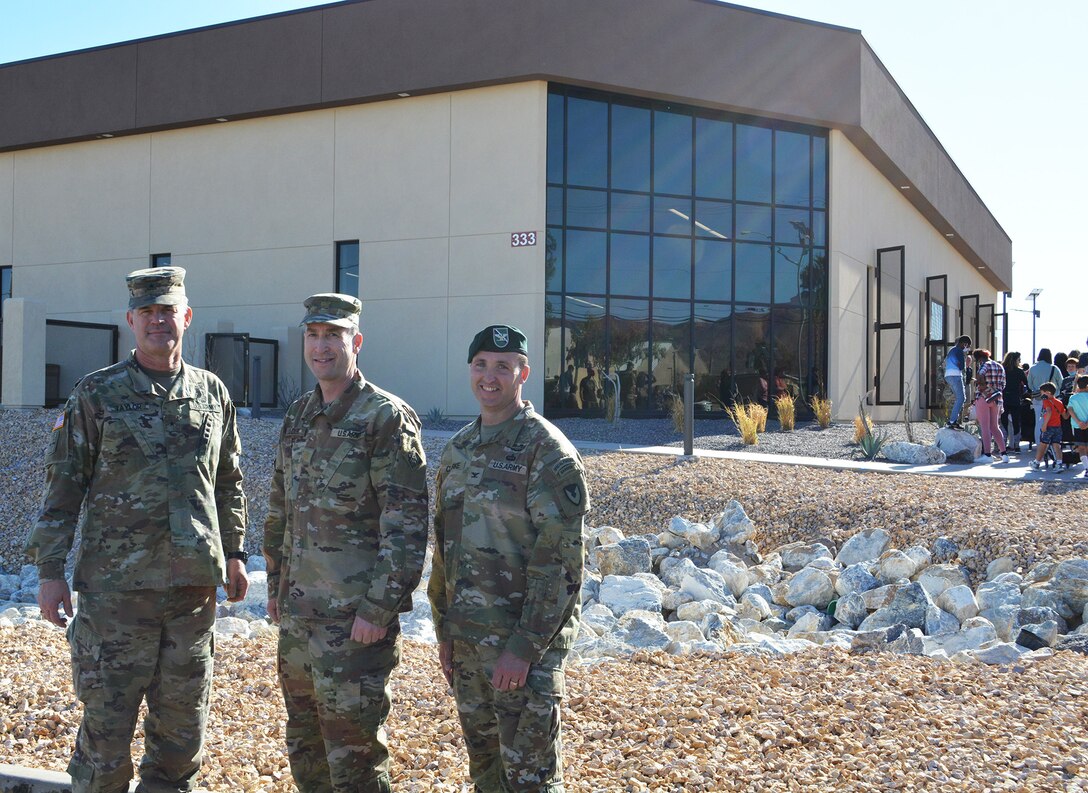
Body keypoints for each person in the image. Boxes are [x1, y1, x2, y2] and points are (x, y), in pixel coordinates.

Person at [26, 266, 249, 793]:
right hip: (114, 598)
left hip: (190, 597)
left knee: (179, 742)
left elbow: (228, 482)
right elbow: (63, 488)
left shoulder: (211, 392)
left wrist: (236, 552)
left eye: (167, 310)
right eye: (147, 312)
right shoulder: (96, 395)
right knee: (104, 743)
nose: (158, 321)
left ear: (186, 317)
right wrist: (49, 572)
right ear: (131, 320)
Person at [263, 293, 428, 793]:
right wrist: (275, 586)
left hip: (354, 623)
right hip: (298, 616)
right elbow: (279, 509)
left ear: (355, 341)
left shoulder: (385, 419)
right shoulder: (298, 415)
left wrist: (378, 611)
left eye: (333, 335)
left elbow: (406, 528)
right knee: (306, 744)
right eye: (312, 335)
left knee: (354, 754)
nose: (321, 346)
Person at [429, 324, 589, 793]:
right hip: (469, 644)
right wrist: (445, 632)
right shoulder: (458, 450)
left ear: (524, 373)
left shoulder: (548, 453)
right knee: (486, 774)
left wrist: (522, 649)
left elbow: (560, 566)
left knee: (530, 779)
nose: (489, 376)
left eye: (503, 366)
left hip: (524, 651)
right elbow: (445, 551)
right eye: (481, 364)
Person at [972, 349, 1008, 463]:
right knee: (995, 426)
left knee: (985, 427)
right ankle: (1004, 454)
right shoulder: (999, 366)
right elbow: (1003, 384)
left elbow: (981, 375)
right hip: (997, 398)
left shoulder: (984, 365)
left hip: (984, 397)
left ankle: (987, 454)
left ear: (979, 359)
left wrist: (980, 384)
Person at [1027, 349, 1064, 447]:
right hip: (1052, 399)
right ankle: (1050, 444)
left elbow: (1029, 385)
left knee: (1038, 421)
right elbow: (1061, 383)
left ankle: (1039, 444)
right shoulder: (1054, 368)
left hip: (1037, 398)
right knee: (1051, 421)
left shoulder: (1033, 368)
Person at [1031, 382, 1067, 471]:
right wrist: (1070, 410)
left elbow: (1049, 411)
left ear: (1048, 392)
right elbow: (1065, 416)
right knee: (1057, 445)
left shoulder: (1046, 401)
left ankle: (1036, 462)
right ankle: (1059, 463)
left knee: (1043, 444)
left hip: (1049, 426)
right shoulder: (1059, 402)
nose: (1041, 394)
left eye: (1042, 392)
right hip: (1057, 427)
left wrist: (1044, 424)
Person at [943, 335, 972, 429]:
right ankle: (952, 421)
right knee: (961, 398)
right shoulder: (959, 351)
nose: (967, 349)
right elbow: (961, 367)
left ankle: (953, 420)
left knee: (958, 399)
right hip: (955, 375)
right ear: (964, 344)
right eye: (968, 346)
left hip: (948, 376)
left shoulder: (952, 350)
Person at [1001, 351, 1027, 452]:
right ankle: (1016, 445)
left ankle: (1003, 443)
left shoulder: (1002, 369)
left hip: (1004, 398)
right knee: (1016, 421)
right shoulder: (1019, 371)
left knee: (1004, 421)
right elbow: (1026, 383)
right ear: (1016, 360)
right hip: (1015, 398)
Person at [1068, 375, 1088, 478]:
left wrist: (1079, 422)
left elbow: (1070, 410)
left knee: (1081, 448)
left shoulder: (1073, 397)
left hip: (1077, 426)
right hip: (1086, 425)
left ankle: (1086, 468)